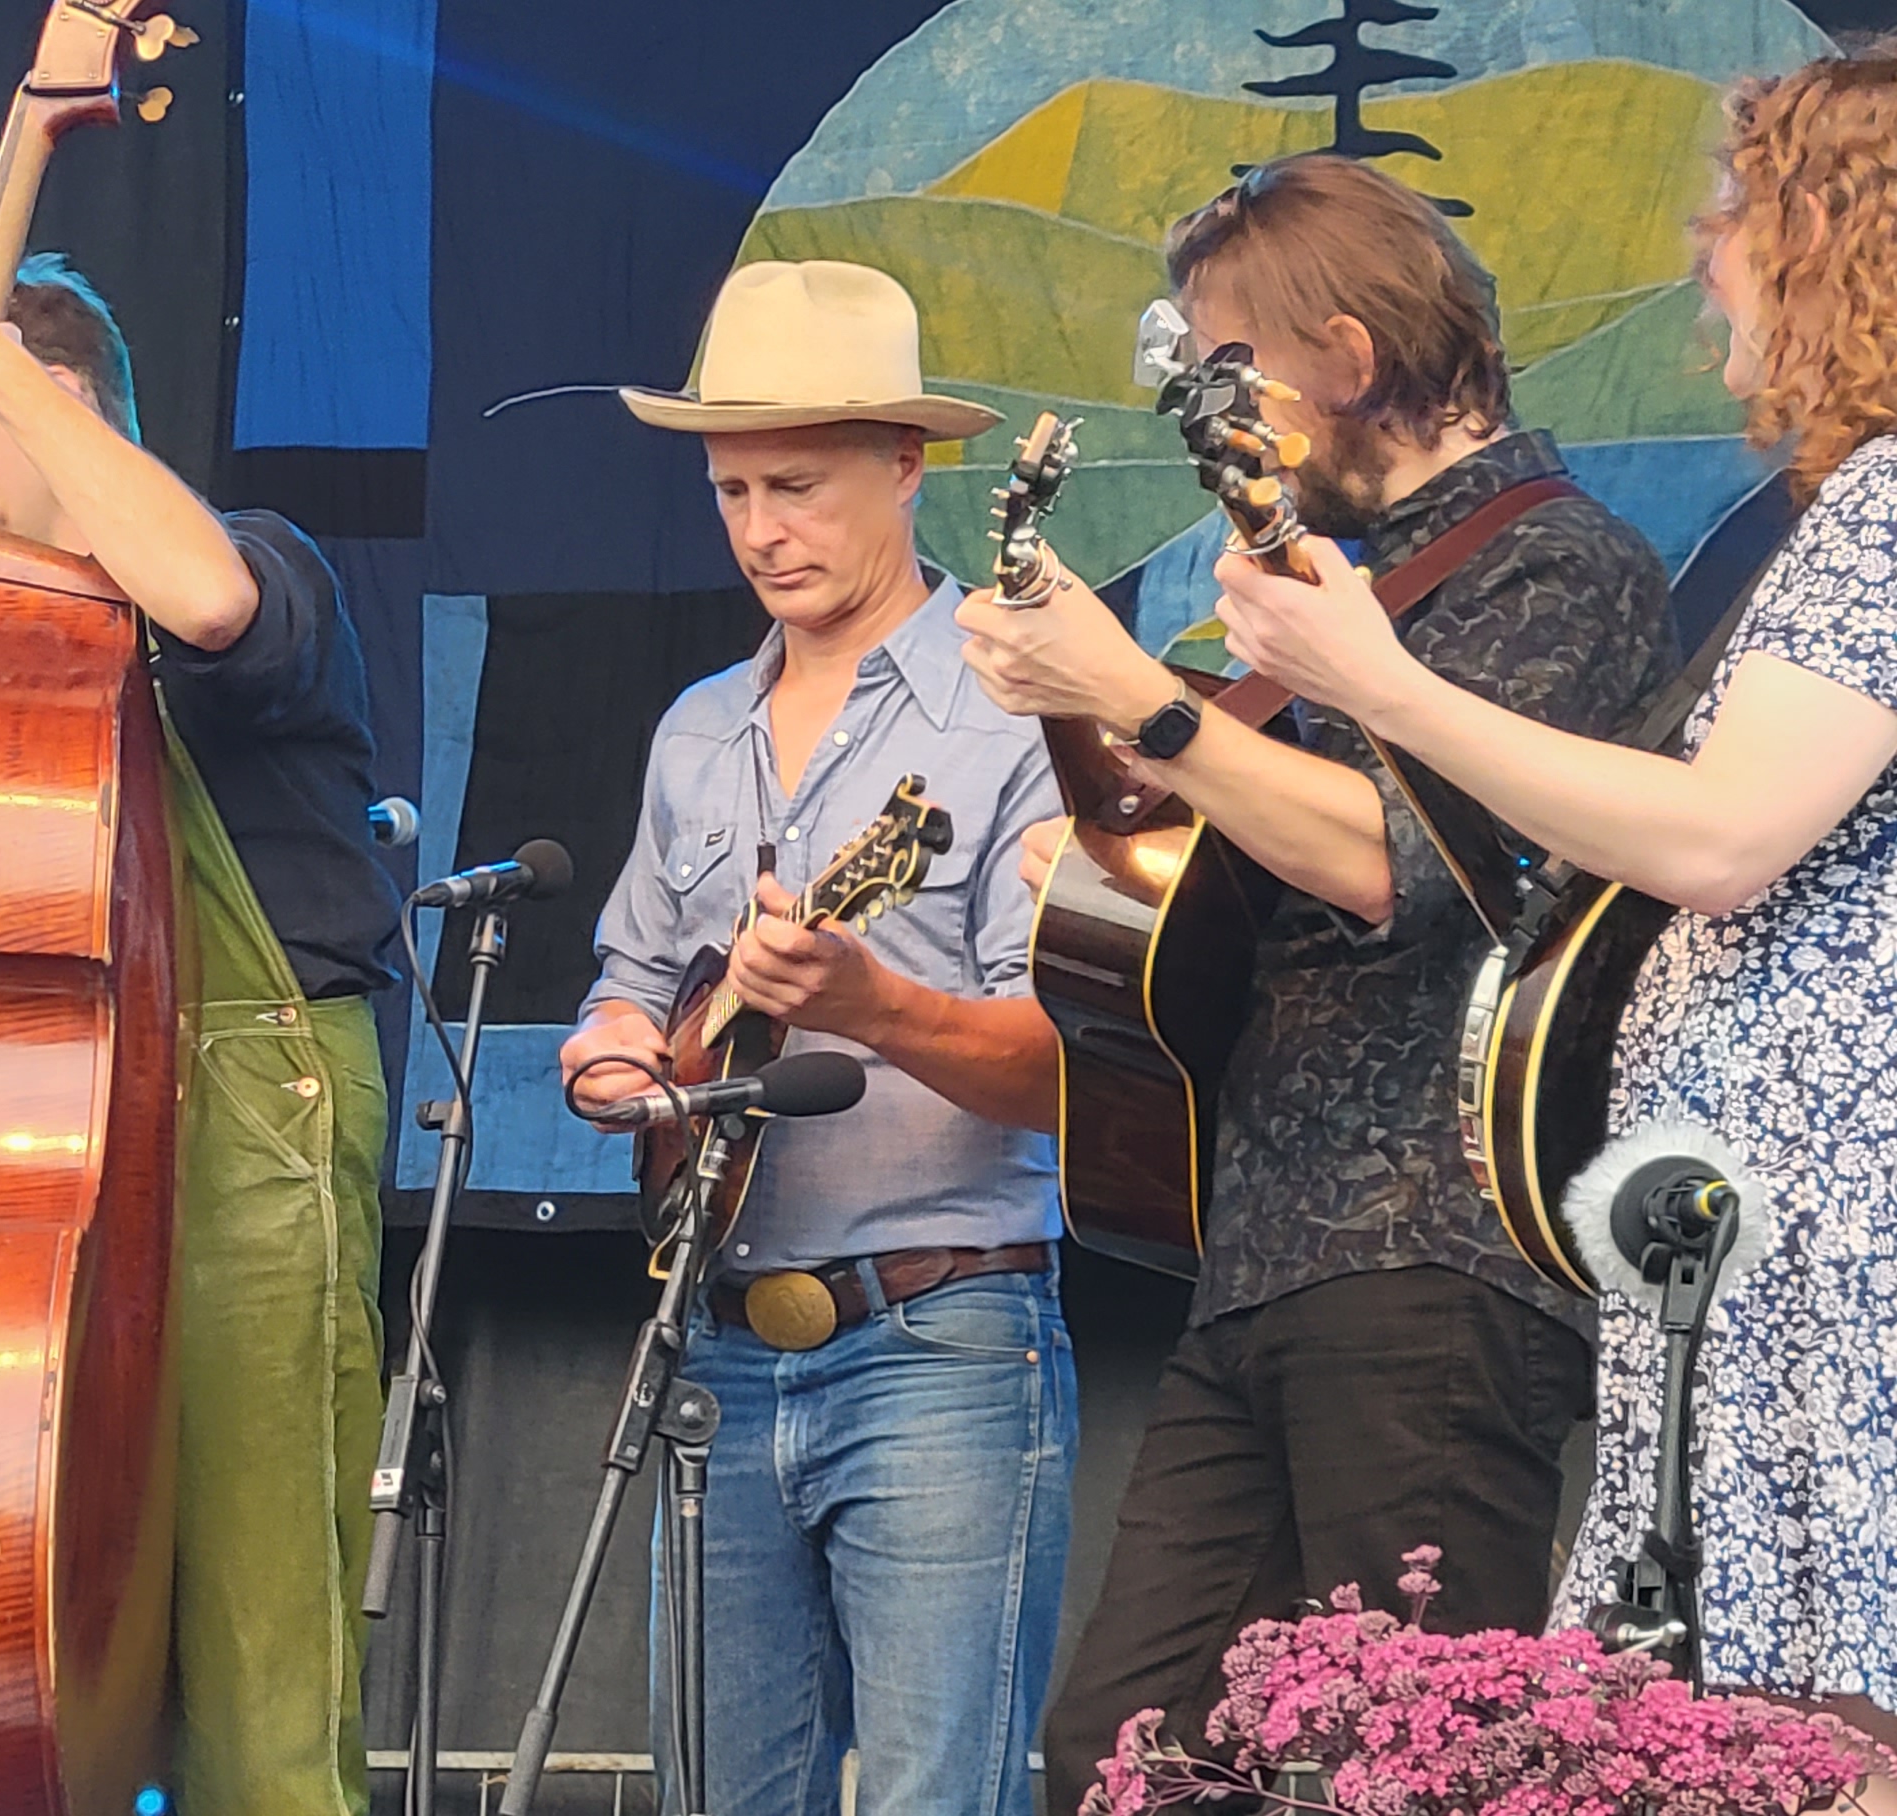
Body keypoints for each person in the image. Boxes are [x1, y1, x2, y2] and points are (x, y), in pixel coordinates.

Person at [1196, 46, 1897, 1771]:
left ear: (1834, 238)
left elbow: (1728, 837)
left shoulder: (1887, 509)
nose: (1700, 243)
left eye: (1740, 207)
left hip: (1830, 1249)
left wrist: (1380, 679)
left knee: (1811, 1735)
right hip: (1747, 1254)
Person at [952, 153, 1674, 1810]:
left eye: (1233, 380)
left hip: (1442, 1252)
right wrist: (1080, 705)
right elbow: (1192, 852)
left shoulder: (1555, 568)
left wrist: (1142, 694)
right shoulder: (1321, 587)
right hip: (1261, 1246)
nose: (1221, 428)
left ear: (1348, 360)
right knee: (1120, 1756)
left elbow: (1395, 864)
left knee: (1416, 1756)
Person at [0, 251, 406, 1816]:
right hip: (51, 1153)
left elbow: (206, 600)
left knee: (259, 1660)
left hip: (249, 1119)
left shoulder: (255, 555)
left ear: (66, 402)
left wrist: (8, 374)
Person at [552, 260, 1075, 1816]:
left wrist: (875, 1006)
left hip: (943, 1338)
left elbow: (1067, 1062)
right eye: (730, 490)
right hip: (711, 1338)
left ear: (907, 466)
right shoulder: (699, 728)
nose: (761, 527)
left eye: (798, 483)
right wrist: (615, 1060)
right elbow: (630, 980)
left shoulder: (1020, 707)